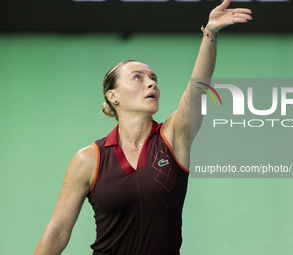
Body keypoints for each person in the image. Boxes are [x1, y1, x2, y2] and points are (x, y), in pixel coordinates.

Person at [33, 1, 252, 254]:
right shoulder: (88, 159)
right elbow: (57, 232)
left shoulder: (173, 137)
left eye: (153, 79)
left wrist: (210, 34)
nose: (151, 84)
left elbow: (198, 88)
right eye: (138, 77)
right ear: (113, 96)